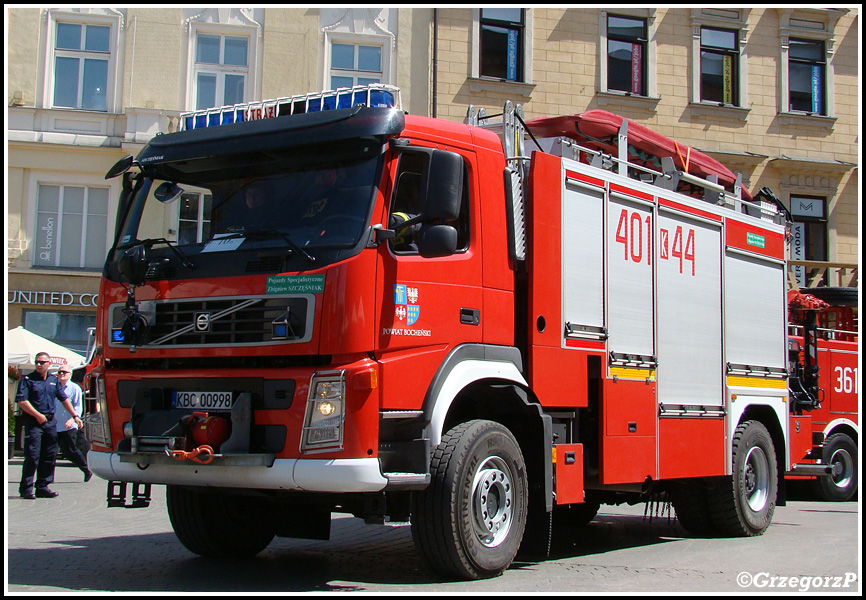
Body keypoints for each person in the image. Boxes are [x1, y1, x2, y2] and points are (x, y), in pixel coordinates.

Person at [16, 352, 82, 499]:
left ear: (49, 364)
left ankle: (42, 486)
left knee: (49, 455)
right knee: (33, 455)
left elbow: (64, 399)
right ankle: (26, 488)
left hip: (50, 422)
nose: (39, 364)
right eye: (37, 362)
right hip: (35, 422)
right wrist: (38, 416)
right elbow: (22, 401)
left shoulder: (53, 380)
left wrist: (75, 416)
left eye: (42, 362)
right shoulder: (27, 380)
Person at [54, 366, 92, 482]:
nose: (61, 374)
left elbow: (78, 406)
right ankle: (47, 478)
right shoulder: (54, 387)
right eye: (60, 372)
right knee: (50, 451)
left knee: (71, 450)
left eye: (64, 372)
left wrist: (72, 419)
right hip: (54, 424)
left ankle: (86, 469)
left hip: (69, 424)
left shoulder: (74, 388)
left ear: (70, 374)